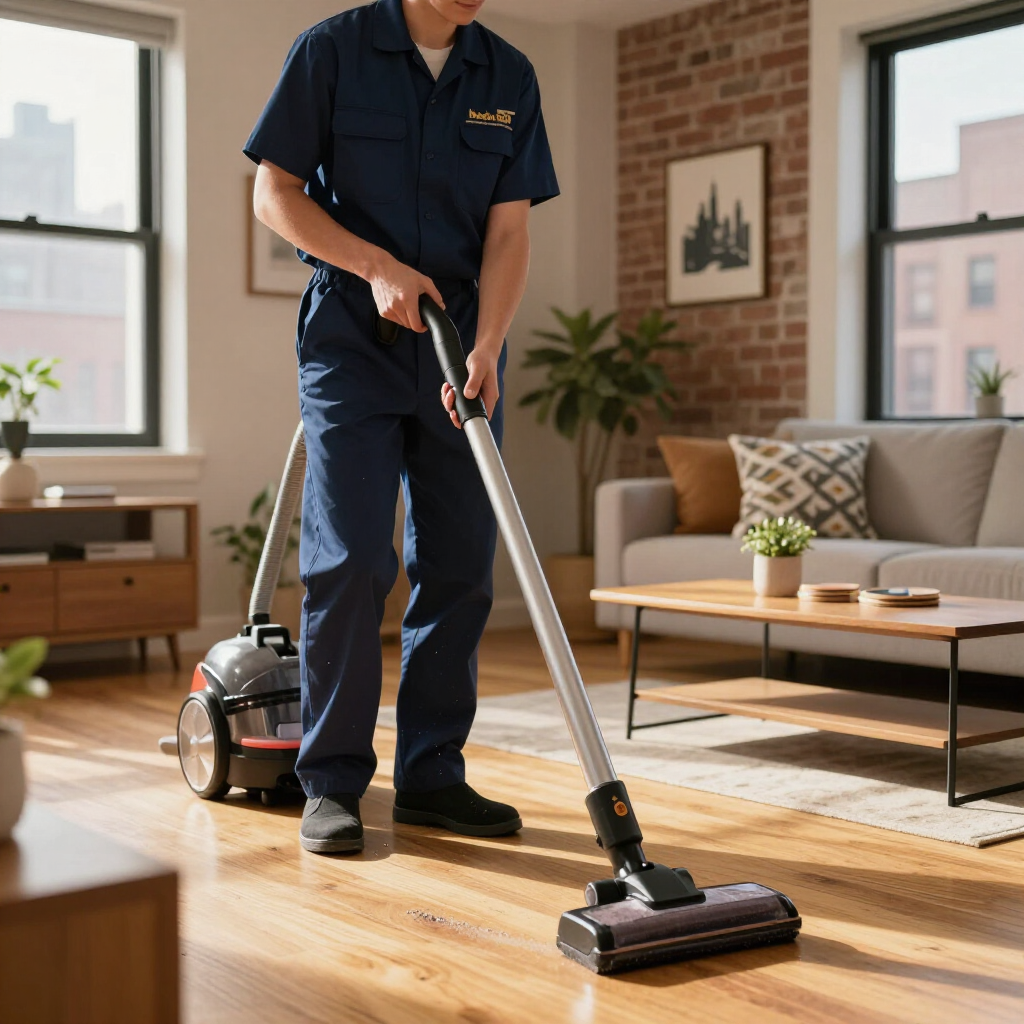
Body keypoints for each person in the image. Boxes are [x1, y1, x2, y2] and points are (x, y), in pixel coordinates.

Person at [244, 0, 559, 854]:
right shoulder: (333, 51)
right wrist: (374, 265)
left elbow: (510, 228)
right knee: (350, 559)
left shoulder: (508, 75)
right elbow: (274, 193)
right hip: (353, 335)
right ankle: (334, 780)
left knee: (459, 562)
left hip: (464, 343)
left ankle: (431, 774)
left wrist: (490, 341)